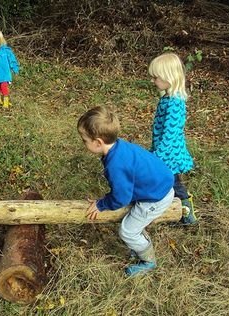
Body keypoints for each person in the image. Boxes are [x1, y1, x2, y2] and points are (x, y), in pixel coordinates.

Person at [78, 106, 175, 276]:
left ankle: (148, 261)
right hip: (159, 184)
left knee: (127, 231)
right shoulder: (119, 146)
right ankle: (139, 244)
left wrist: (101, 204)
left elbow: (121, 197)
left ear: (98, 142)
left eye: (84, 140)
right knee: (132, 225)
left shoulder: (116, 165)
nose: (83, 143)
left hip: (157, 197)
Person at [148, 53, 196, 225]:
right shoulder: (167, 99)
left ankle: (187, 215)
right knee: (170, 183)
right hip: (164, 151)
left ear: (169, 77)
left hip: (170, 154)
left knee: (173, 184)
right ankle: (173, 210)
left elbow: (169, 135)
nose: (153, 81)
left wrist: (156, 157)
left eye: (156, 77)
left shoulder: (175, 103)